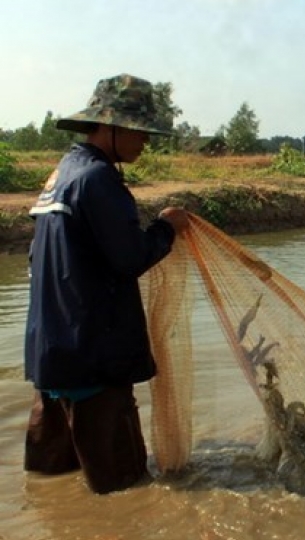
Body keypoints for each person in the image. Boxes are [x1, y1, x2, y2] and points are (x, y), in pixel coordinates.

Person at [23, 74, 190, 494]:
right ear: (109, 126)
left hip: (52, 358)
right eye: (138, 131)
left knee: (50, 485)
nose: (145, 142)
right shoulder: (98, 181)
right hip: (93, 361)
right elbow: (130, 257)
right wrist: (166, 229)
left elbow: (36, 259)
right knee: (125, 490)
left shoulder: (61, 174)